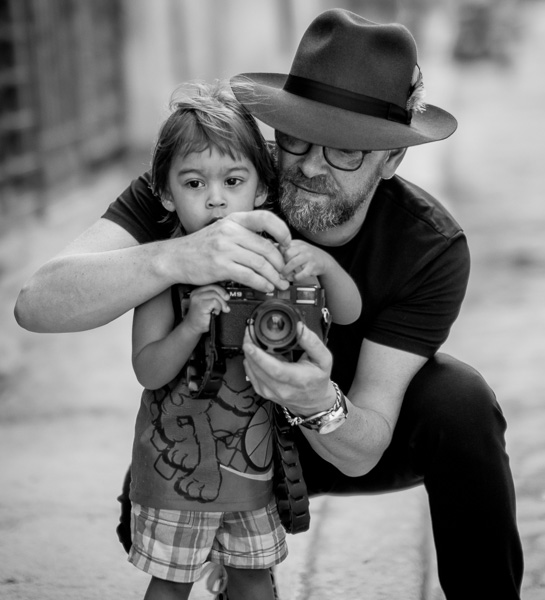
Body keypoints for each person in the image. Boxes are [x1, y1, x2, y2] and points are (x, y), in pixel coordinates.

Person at [14, 9, 523, 600]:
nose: (309, 165)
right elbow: (36, 305)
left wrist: (315, 402)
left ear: (391, 160)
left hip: (332, 438)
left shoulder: (428, 248)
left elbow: (363, 450)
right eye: (297, 137)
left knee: (461, 403)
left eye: (346, 152)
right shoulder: (214, 182)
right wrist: (179, 257)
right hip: (200, 437)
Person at [118, 81, 361, 600]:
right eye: (193, 183)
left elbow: (349, 311)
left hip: (252, 473)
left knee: (254, 583)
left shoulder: (275, 258)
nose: (216, 199)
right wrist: (190, 326)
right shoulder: (163, 271)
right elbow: (148, 370)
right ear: (164, 193)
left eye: (233, 179)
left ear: (261, 189)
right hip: (174, 472)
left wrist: (325, 266)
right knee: (170, 586)